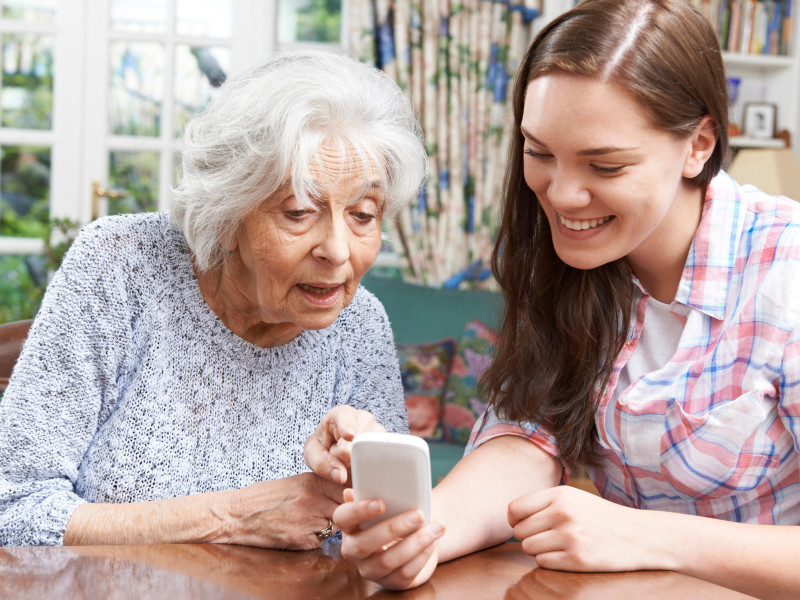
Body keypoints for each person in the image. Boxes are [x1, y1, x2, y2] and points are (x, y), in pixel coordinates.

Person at [326, 1, 800, 597]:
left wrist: (643, 536)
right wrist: (423, 533)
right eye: (539, 153)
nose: (563, 195)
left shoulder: (785, 272)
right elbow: (528, 436)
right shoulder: (574, 262)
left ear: (698, 146)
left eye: (605, 165)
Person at [0, 49, 427, 549]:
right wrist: (237, 517)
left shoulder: (362, 324)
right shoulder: (118, 266)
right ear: (226, 216)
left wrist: (366, 485)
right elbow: (13, 506)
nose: (337, 251)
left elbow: (390, 541)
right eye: (298, 212)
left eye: (363, 214)